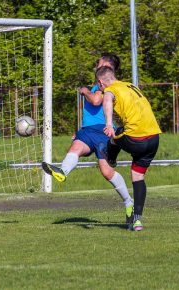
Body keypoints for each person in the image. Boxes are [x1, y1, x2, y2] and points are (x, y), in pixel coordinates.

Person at [42, 53, 134, 225]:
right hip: (88, 130)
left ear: (107, 64)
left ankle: (129, 203)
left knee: (106, 172)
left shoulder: (106, 84)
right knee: (75, 148)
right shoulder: (99, 83)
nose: (96, 64)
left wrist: (84, 91)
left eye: (98, 62)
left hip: (102, 132)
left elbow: (97, 101)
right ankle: (63, 171)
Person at [96, 66, 161, 231]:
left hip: (135, 138)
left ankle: (111, 159)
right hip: (154, 137)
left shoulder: (110, 90)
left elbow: (108, 100)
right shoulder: (131, 85)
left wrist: (109, 124)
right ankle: (137, 220)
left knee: (114, 137)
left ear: (100, 82)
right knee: (137, 176)